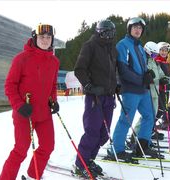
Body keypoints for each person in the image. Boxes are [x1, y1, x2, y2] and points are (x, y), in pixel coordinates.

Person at [0, 24, 60, 180]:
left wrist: (53, 101)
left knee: (48, 146)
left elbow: (52, 86)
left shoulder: (54, 61)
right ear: (35, 38)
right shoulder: (21, 59)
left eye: (48, 37)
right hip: (24, 113)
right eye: (42, 37)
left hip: (44, 113)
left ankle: (34, 174)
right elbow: (9, 85)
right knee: (21, 149)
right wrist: (19, 105)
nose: (45, 40)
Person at [73, 19, 118, 178]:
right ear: (99, 32)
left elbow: (113, 71)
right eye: (106, 32)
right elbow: (79, 69)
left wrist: (116, 85)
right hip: (95, 97)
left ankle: (89, 159)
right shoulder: (90, 46)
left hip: (108, 96)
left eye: (111, 32)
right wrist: (89, 86)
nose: (109, 35)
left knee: (104, 134)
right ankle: (80, 163)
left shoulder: (112, 48)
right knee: (92, 132)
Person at [110, 17, 156, 160]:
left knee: (150, 116)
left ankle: (142, 145)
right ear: (129, 29)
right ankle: (116, 150)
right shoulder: (122, 45)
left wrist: (148, 74)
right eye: (135, 27)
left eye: (140, 28)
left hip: (143, 89)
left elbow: (141, 68)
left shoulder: (140, 47)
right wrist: (142, 79)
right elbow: (123, 70)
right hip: (130, 89)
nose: (138, 30)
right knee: (126, 119)